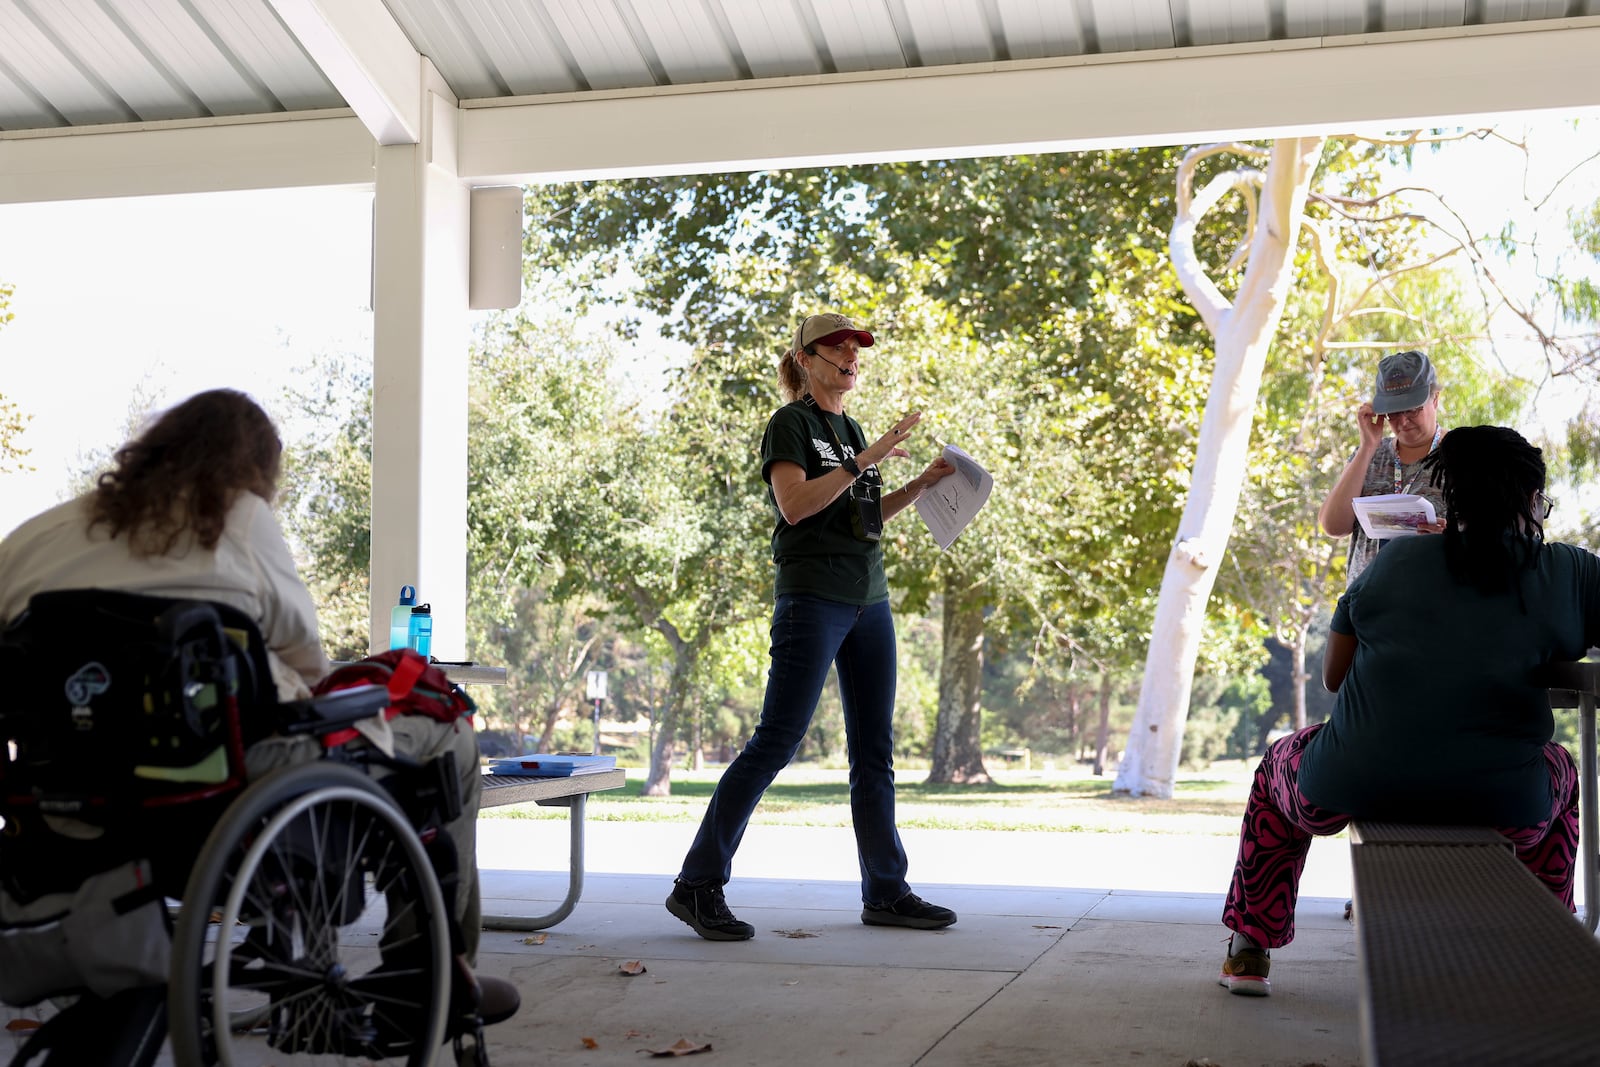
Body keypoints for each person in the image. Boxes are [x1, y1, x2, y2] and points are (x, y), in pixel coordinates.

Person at [0, 388, 518, 1022]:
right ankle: (434, 973)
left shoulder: (40, 534)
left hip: (66, 800)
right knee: (449, 737)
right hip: (220, 794)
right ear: (254, 469)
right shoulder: (236, 518)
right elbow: (306, 663)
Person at [1218, 425, 1600, 996]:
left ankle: (1251, 947)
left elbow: (1333, 676)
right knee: (1562, 772)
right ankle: (1536, 949)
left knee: (1278, 766)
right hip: (1505, 807)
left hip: (1347, 788)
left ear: (1449, 494)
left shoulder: (1398, 562)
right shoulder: (1570, 573)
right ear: (1531, 498)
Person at [665, 312, 959, 941]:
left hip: (868, 601)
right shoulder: (791, 423)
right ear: (805, 358)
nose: (852, 354)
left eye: (858, 347)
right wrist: (868, 456)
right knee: (776, 741)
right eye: (837, 346)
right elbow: (797, 506)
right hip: (813, 598)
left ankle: (886, 890)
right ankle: (696, 885)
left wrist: (919, 484)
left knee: (874, 750)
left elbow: (861, 515)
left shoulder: (848, 427)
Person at [1317, 350, 1448, 586]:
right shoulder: (1370, 455)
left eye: (1412, 409)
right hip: (1365, 609)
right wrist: (1367, 447)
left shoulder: (1463, 455)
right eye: (1394, 413)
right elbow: (1333, 525)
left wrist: (1450, 540)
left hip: (1430, 610)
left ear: (1435, 398)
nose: (1403, 421)